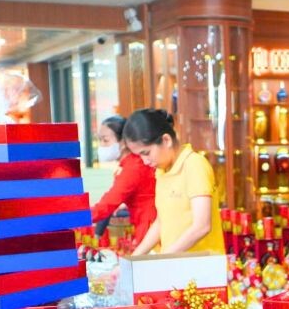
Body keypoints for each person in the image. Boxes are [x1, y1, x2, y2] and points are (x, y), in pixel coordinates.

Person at [124, 109, 226, 255]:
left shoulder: (194, 165)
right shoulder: (162, 171)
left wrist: (164, 258)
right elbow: (162, 221)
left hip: (201, 264)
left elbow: (202, 226)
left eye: (146, 153)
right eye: (140, 156)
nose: (145, 161)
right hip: (175, 262)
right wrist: (135, 258)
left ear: (166, 140)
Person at [90, 115, 157, 246]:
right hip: (145, 225)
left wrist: (72, 218)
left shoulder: (133, 167)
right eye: (99, 140)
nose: (101, 145)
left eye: (105, 140)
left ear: (123, 142)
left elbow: (106, 205)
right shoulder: (129, 164)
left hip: (148, 227)